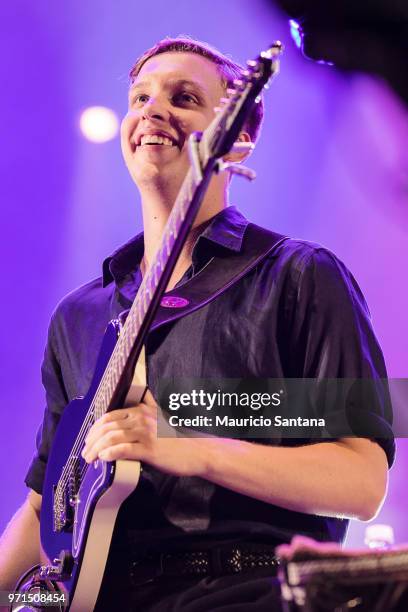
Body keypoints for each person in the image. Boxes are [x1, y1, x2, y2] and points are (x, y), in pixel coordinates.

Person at [0, 36, 395, 611]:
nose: (152, 111)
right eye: (139, 98)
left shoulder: (298, 277)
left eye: (183, 98)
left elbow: (361, 483)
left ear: (239, 138)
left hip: (247, 589)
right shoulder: (80, 315)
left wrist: (187, 444)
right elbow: (46, 509)